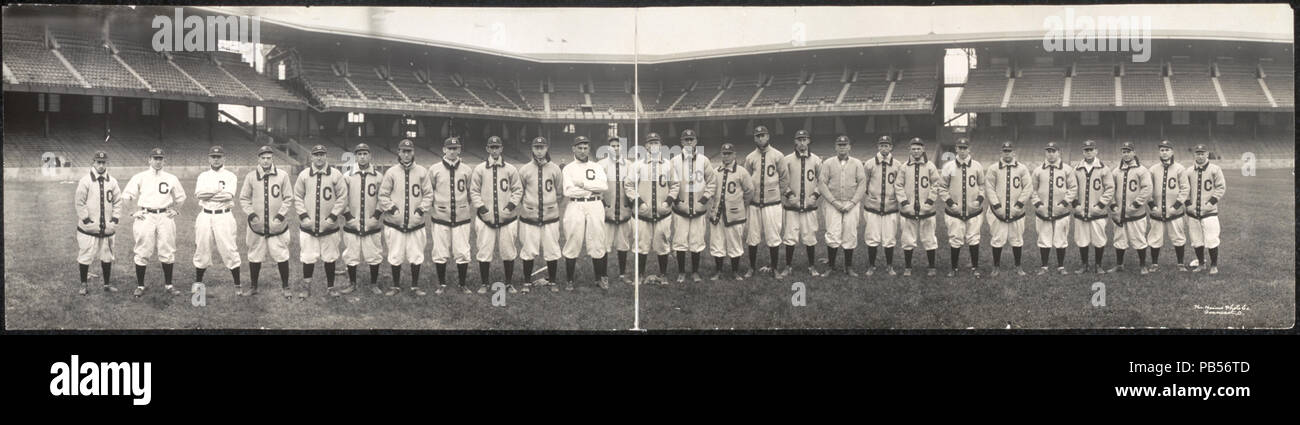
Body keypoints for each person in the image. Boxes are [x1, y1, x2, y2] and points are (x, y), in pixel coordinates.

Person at [121, 148, 187, 297]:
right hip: (146, 215)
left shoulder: (171, 178)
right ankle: (140, 285)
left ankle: (169, 285)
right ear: (149, 160)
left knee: (168, 249)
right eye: (155, 158)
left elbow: (181, 197)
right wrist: (133, 211)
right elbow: (126, 196)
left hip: (165, 215)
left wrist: (176, 210)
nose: (158, 161)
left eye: (160, 159)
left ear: (164, 160)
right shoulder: (140, 177)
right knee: (143, 249)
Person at [379, 139, 434, 295]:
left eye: (409, 151)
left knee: (416, 254)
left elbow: (428, 194)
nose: (406, 154)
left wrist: (421, 210)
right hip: (395, 222)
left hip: (416, 222)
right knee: (395, 254)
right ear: (399, 153)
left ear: (413, 152)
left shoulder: (422, 171)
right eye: (403, 151)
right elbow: (383, 195)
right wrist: (392, 209)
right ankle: (395, 286)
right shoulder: (391, 172)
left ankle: (415, 286)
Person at [238, 145, 294, 297]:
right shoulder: (251, 176)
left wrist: (280, 215)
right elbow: (244, 198)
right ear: (259, 159)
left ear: (272, 158)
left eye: (268, 158)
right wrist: (251, 215)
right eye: (263, 158)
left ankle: (285, 286)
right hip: (257, 225)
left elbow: (289, 198)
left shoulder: (282, 175)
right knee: (255, 255)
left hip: (277, 225)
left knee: (281, 255)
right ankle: (254, 286)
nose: (266, 161)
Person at [470, 136, 523, 293]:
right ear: (487, 149)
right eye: (491, 147)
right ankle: (484, 283)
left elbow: (518, 189)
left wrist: (510, 206)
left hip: (507, 217)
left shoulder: (511, 169)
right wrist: (481, 209)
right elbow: (474, 191)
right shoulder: (479, 169)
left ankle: (508, 283)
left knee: (508, 251)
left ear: (501, 149)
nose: (494, 150)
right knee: (484, 251)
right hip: (485, 218)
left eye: (497, 147)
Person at [294, 144, 348, 297]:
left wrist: (332, 216)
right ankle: (306, 286)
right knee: (308, 257)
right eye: (316, 154)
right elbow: (297, 196)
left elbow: (342, 197)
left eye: (322, 154)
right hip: (308, 225)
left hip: (329, 225)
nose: (319, 157)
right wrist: (303, 216)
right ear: (312, 156)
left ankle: (330, 287)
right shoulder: (304, 175)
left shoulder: (336, 174)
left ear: (326, 156)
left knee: (330, 257)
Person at [626, 132, 679, 285]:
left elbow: (675, 185)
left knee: (662, 244)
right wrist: (639, 201)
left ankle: (663, 275)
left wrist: (668, 201)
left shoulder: (668, 165)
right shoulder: (638, 165)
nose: (654, 145)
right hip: (642, 213)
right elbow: (629, 185)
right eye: (651, 142)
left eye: (656, 142)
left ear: (660, 145)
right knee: (641, 245)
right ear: (646, 146)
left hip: (663, 213)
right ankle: (640, 275)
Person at [561, 135, 611, 290]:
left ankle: (600, 278)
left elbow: (603, 186)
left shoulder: (596, 166)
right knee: (573, 239)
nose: (583, 151)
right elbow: (569, 191)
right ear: (573, 149)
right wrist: (591, 189)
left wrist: (583, 185)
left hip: (595, 205)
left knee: (597, 239)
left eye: (585, 148)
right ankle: (569, 280)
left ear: (589, 149)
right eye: (579, 148)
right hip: (575, 206)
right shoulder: (568, 168)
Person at [517, 136, 566, 292]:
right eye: (536, 147)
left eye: (542, 147)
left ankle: (552, 281)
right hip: (529, 217)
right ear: (532, 149)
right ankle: (526, 282)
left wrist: (549, 207)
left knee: (552, 249)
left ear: (547, 148)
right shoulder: (524, 169)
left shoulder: (555, 169)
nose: (539, 150)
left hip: (550, 217)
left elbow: (559, 192)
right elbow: (520, 192)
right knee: (528, 249)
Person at [192, 146, 242, 295]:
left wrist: (209, 194)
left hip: (224, 215)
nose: (216, 159)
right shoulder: (203, 176)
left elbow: (228, 196)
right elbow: (199, 195)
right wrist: (217, 191)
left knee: (229, 248)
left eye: (219, 156)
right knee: (201, 248)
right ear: (209, 158)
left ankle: (238, 285)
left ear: (224, 158)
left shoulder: (230, 176)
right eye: (213, 156)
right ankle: (199, 287)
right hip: (205, 215)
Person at [428, 136, 475, 294]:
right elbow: (430, 192)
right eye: (450, 148)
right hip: (441, 217)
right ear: (444, 150)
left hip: (461, 217)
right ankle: (442, 284)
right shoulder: (434, 169)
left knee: (462, 251)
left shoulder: (467, 170)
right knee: (440, 251)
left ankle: (462, 284)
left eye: (455, 148)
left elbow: (470, 192)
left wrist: (462, 205)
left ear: (460, 150)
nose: (453, 151)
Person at [669, 129, 716, 283]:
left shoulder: (704, 160)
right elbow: (670, 184)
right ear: (681, 142)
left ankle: (695, 271)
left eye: (692, 139)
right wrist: (676, 201)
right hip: (680, 209)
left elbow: (711, 182)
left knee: (696, 241)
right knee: (680, 241)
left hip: (698, 209)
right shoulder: (674, 161)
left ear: (696, 141)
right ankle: (681, 271)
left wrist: (703, 200)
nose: (689, 142)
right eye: (686, 140)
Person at [74, 151, 123, 294]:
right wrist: (86, 220)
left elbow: (118, 202)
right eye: (98, 162)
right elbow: (79, 202)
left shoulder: (112, 181)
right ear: (93, 163)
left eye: (103, 162)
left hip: (107, 227)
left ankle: (106, 284)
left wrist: (114, 219)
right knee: (86, 254)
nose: (101, 165)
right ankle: (83, 284)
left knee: (107, 255)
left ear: (106, 163)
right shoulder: (85, 180)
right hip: (88, 228)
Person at [936, 138, 986, 278]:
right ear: (956, 149)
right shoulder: (948, 166)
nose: (963, 150)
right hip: (954, 212)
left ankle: (975, 267)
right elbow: (942, 187)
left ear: (969, 149)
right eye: (960, 147)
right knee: (955, 238)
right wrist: (951, 203)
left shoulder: (977, 166)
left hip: (973, 211)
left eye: (965, 148)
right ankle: (954, 268)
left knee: (974, 238)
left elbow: (982, 186)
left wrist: (979, 200)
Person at [340, 143, 385, 294]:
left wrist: (376, 217)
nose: (363, 156)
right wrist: (348, 217)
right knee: (351, 254)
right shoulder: (347, 176)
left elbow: (383, 198)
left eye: (365, 154)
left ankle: (373, 283)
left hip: (371, 222)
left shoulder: (379, 176)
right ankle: (352, 283)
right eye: (359, 154)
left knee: (374, 254)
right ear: (356, 156)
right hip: (352, 222)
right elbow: (342, 199)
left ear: (370, 156)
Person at [817, 135, 866, 276]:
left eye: (845, 145)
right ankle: (831, 266)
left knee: (850, 233)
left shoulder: (857, 163)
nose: (842, 147)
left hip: (851, 203)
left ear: (849, 147)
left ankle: (848, 266)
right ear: (835, 147)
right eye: (839, 145)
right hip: (833, 203)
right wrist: (833, 201)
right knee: (832, 233)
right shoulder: (828, 163)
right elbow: (822, 183)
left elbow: (862, 184)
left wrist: (852, 202)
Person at [984, 141, 1033, 276]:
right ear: (1001, 152)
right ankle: (996, 266)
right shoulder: (993, 168)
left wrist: (1019, 205)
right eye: (1005, 151)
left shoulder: (1022, 168)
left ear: (1014, 153)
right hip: (997, 212)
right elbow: (989, 188)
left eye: (1009, 151)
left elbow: (1028, 188)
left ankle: (1018, 266)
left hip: (1017, 211)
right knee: (997, 239)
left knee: (1017, 239)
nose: (1007, 153)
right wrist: (997, 206)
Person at [778, 129, 822, 278]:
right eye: (799, 140)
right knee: (790, 236)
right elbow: (782, 181)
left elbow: (822, 181)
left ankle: (812, 266)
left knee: (810, 236)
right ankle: (788, 266)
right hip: (792, 206)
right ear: (795, 142)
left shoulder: (816, 159)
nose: (802, 142)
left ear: (809, 141)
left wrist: (815, 196)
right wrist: (789, 195)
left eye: (805, 139)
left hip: (809, 206)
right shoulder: (787, 159)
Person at [707, 143, 754, 281]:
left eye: (729, 154)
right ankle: (719, 271)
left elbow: (749, 191)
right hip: (718, 213)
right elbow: (711, 190)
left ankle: (735, 271)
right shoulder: (715, 172)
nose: (726, 156)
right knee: (717, 242)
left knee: (735, 243)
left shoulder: (741, 171)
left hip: (735, 214)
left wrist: (741, 205)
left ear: (734, 155)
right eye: (723, 153)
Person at [742, 125, 785, 278]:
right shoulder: (750, 157)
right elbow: (745, 179)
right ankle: (752, 267)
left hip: (772, 203)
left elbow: (783, 178)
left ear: (768, 137)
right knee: (752, 237)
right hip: (754, 204)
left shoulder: (778, 155)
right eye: (757, 136)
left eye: (763, 135)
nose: (760, 138)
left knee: (773, 236)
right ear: (754, 138)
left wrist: (779, 194)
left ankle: (774, 268)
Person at [895, 138, 941, 276]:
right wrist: (904, 203)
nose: (916, 151)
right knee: (908, 239)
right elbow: (898, 186)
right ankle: (908, 267)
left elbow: (936, 185)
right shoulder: (904, 167)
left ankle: (931, 266)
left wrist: (930, 202)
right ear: (910, 150)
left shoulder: (930, 166)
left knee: (929, 239)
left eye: (918, 149)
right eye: (913, 149)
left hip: (927, 210)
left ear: (923, 149)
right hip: (908, 210)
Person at [1029, 142, 1076, 275]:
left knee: (1061, 239)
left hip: (1061, 210)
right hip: (1043, 210)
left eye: (1053, 151)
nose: (1050, 154)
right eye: (1048, 151)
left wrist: (1064, 203)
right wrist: (1038, 204)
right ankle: (1044, 266)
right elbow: (1032, 189)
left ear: (1058, 152)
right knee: (1044, 238)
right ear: (1045, 153)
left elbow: (1073, 188)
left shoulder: (1067, 169)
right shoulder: (1038, 170)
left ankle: (1061, 266)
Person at [1108, 141, 1154, 274]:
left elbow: (1147, 189)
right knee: (1119, 239)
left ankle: (1143, 265)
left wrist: (1135, 204)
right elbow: (1110, 189)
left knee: (1139, 239)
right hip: (1120, 213)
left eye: (1128, 151)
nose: (1126, 154)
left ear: (1134, 153)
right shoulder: (1116, 171)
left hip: (1136, 213)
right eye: (1124, 152)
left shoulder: (1142, 170)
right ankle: (1119, 264)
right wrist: (1113, 206)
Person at [1146, 140, 1189, 272]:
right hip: (1157, 212)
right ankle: (1154, 264)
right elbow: (1147, 190)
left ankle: (1180, 263)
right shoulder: (1153, 169)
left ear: (1172, 152)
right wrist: (1153, 207)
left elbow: (1185, 189)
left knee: (1178, 237)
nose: (1164, 153)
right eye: (1162, 150)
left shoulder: (1180, 168)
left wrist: (1175, 207)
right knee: (1155, 238)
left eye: (1167, 150)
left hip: (1175, 212)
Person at [1072, 139, 1114, 275]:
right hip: (1081, 211)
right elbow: (1072, 189)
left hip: (1098, 211)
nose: (1088, 152)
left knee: (1099, 239)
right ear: (1083, 152)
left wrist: (1100, 206)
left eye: (1091, 150)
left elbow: (1109, 189)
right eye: (1086, 150)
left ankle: (1098, 265)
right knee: (1082, 239)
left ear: (1096, 151)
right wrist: (1075, 205)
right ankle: (1084, 265)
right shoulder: (1077, 168)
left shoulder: (1104, 168)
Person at [1183, 144, 1226, 275]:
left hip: (1209, 212)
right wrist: (1189, 204)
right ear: (1194, 155)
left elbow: (1221, 188)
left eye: (1203, 153)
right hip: (1193, 212)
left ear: (1207, 154)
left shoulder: (1215, 169)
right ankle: (1201, 263)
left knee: (1212, 238)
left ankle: (1214, 265)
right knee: (1196, 240)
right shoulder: (1189, 171)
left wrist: (1210, 204)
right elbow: (1184, 189)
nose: (1200, 156)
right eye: (1198, 153)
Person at [862, 135, 902, 276]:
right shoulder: (869, 163)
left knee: (889, 238)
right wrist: (872, 194)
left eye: (887, 145)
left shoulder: (897, 164)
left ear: (891, 147)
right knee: (872, 237)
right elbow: (864, 183)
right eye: (882, 145)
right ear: (878, 147)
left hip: (890, 207)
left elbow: (900, 185)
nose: (884, 148)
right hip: (873, 207)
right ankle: (872, 265)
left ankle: (889, 266)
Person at [598, 136, 634, 284]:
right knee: (604, 245)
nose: (616, 148)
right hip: (607, 210)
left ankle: (622, 274)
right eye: (613, 145)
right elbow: (597, 188)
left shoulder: (630, 165)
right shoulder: (601, 165)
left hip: (624, 210)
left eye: (618, 146)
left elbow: (633, 186)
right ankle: (603, 275)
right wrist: (602, 204)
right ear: (608, 148)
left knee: (623, 244)